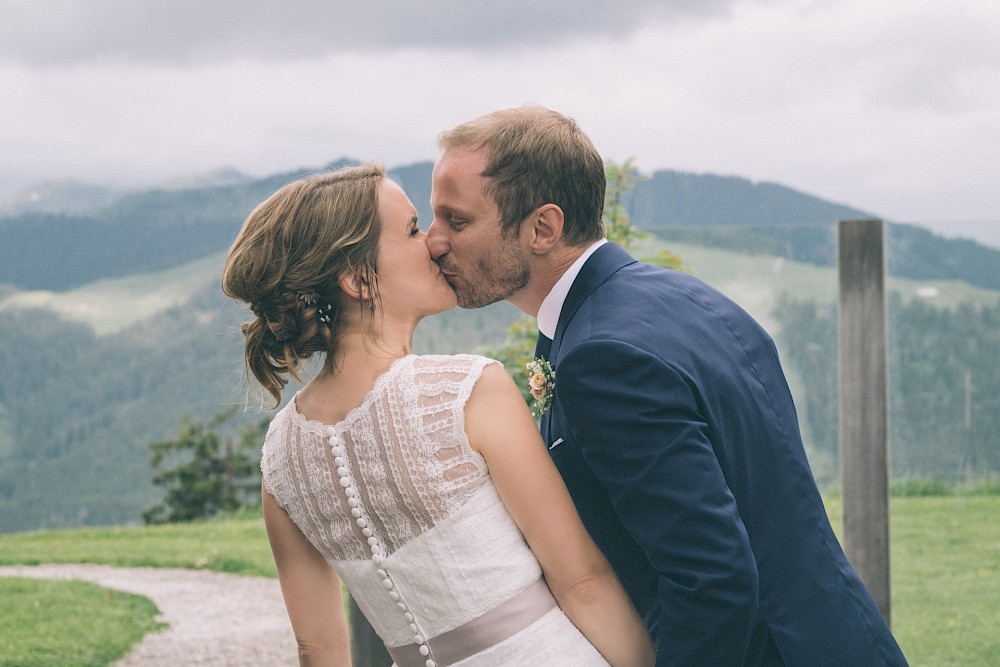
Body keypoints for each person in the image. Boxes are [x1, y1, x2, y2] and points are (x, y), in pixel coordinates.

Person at [426, 105, 910, 667]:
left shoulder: (603, 359)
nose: (434, 242)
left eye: (455, 221)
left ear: (543, 228)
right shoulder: (691, 299)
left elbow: (711, 580)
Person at [221, 163, 654, 667]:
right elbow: (581, 579)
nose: (433, 243)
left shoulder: (280, 455)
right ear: (357, 279)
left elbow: (318, 647)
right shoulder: (467, 391)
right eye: (410, 230)